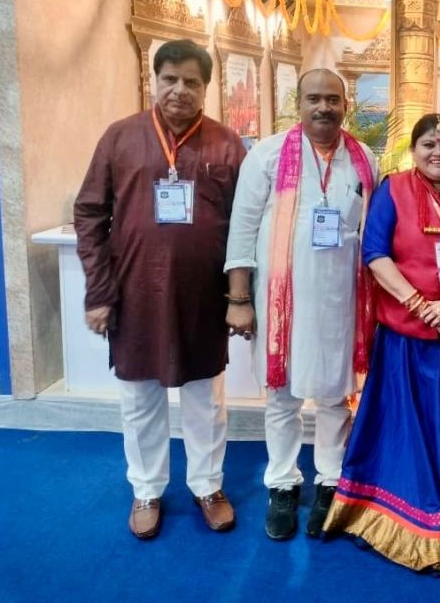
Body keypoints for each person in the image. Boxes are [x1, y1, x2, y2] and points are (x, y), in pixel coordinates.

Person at [322, 113, 440, 572]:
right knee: (400, 435)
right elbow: (375, 253)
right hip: (403, 343)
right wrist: (418, 303)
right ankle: (400, 512)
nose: (438, 153)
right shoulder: (393, 189)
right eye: (429, 144)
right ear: (414, 150)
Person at [74, 39, 245, 539]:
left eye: (192, 82)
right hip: (136, 294)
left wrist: (241, 297)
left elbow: (246, 225)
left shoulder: (226, 144)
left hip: (203, 297)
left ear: (206, 88)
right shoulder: (120, 137)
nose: (179, 90)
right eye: (170, 79)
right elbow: (89, 214)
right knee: (140, 396)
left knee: (205, 398)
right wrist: (99, 293)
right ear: (155, 80)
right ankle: (146, 489)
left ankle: (208, 486)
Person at [224, 69, 378, 541]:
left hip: (341, 301)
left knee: (335, 395)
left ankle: (331, 480)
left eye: (332, 99)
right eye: (314, 98)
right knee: (282, 397)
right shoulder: (268, 155)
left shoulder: (364, 158)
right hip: (282, 304)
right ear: (299, 103)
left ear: (345, 105)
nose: (324, 107)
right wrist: (239, 300)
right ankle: (283, 484)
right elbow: (242, 231)